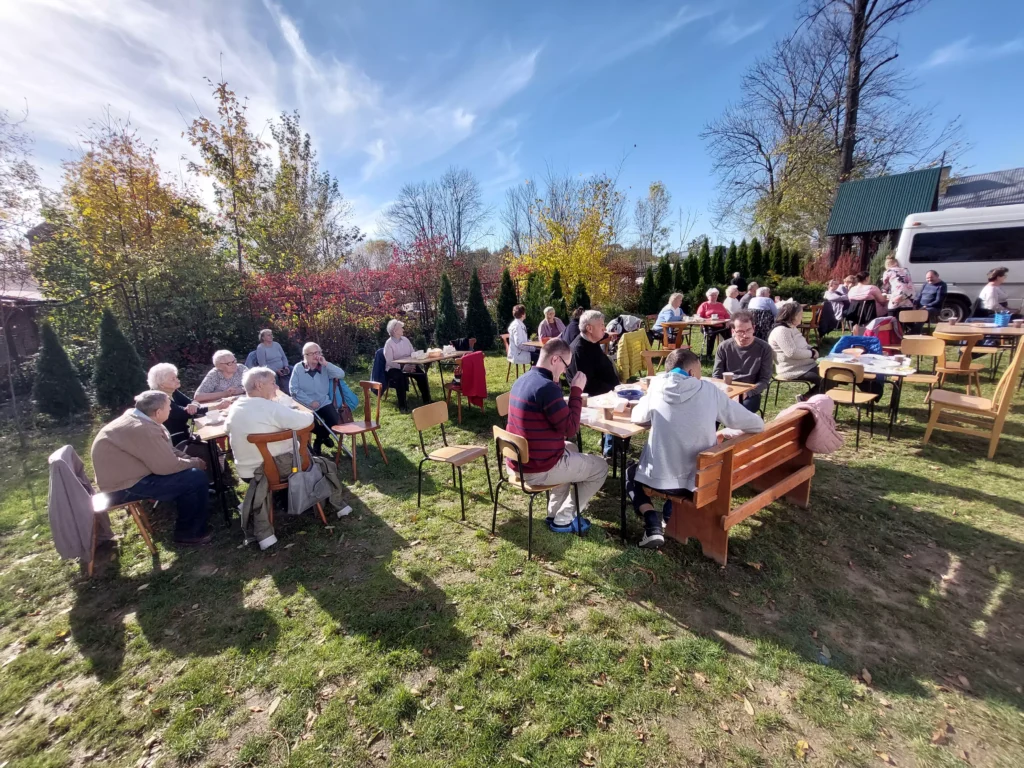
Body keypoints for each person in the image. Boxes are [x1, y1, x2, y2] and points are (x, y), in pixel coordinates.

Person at [627, 348, 763, 548]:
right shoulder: (709, 391)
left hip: (659, 479)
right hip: (700, 480)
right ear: (691, 373)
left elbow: (637, 417)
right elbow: (754, 424)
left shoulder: (656, 387)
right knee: (681, 461)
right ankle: (668, 515)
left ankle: (651, 519)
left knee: (631, 472)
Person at [506, 339, 608, 533]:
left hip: (518, 461)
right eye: (565, 366)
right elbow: (570, 428)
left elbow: (559, 425)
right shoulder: (546, 388)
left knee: (571, 448)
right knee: (601, 467)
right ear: (555, 359)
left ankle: (554, 512)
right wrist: (577, 389)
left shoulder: (523, 380)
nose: (564, 371)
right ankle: (563, 519)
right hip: (536, 468)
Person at [91, 390, 211, 546]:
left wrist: (192, 460)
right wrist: (197, 464)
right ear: (158, 412)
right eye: (169, 407)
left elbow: (168, 450)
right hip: (121, 488)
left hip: (128, 477)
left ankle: (194, 519)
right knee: (194, 478)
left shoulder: (142, 420)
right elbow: (168, 466)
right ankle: (189, 533)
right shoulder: (143, 429)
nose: (171, 410)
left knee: (192, 473)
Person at [226, 367, 315, 482]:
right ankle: (305, 491)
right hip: (273, 469)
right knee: (310, 455)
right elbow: (308, 419)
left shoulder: (236, 406)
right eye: (273, 383)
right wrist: (286, 408)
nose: (277, 387)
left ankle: (279, 496)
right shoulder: (271, 408)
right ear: (259, 385)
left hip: (246, 472)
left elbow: (226, 430)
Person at [569, 310, 620, 457]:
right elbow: (587, 384)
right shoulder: (579, 349)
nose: (604, 328)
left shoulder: (592, 342)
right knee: (618, 406)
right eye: (601, 325)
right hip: (592, 396)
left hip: (606, 389)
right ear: (589, 328)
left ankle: (615, 443)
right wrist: (613, 390)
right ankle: (610, 450)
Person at [148, 362, 228, 445]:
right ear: (162, 384)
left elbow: (192, 402)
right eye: (173, 379)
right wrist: (217, 407)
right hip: (173, 439)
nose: (177, 380)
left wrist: (194, 404)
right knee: (207, 444)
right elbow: (184, 413)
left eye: (176, 377)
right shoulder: (158, 399)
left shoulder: (172, 391)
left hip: (186, 432)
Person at [289, 342, 347, 453]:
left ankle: (319, 440)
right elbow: (293, 389)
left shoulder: (324, 367)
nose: (317, 356)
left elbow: (341, 374)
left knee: (334, 420)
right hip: (305, 405)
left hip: (323, 401)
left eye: (319, 352)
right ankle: (323, 436)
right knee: (310, 425)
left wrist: (326, 363)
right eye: (313, 353)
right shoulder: (298, 368)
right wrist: (309, 402)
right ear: (306, 355)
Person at [713, 310, 773, 413]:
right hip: (727, 389)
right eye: (740, 332)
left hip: (750, 391)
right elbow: (717, 375)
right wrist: (726, 392)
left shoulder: (764, 348)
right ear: (733, 331)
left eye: (749, 330)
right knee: (712, 411)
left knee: (739, 411)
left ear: (754, 328)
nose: (745, 335)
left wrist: (747, 393)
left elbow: (764, 380)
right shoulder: (724, 347)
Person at [768, 301, 821, 397]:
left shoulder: (791, 328)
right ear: (793, 316)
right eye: (801, 314)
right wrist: (812, 354)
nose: (802, 316)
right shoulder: (781, 331)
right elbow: (792, 352)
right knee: (828, 377)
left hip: (805, 366)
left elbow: (803, 345)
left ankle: (813, 398)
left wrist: (812, 348)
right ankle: (806, 399)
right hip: (792, 370)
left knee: (832, 373)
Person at [382, 319, 432, 413]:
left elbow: (412, 353)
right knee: (400, 377)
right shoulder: (389, 344)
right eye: (401, 328)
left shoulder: (405, 340)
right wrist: (402, 367)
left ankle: (427, 400)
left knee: (422, 374)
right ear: (395, 331)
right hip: (394, 368)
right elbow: (389, 361)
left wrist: (413, 364)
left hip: (409, 364)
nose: (403, 330)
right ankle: (403, 406)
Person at [507, 305, 532, 369]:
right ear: (523, 314)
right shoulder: (517, 326)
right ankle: (534, 376)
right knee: (540, 356)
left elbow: (523, 340)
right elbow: (519, 344)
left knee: (539, 352)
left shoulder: (518, 323)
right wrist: (532, 348)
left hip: (518, 351)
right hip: (518, 353)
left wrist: (532, 343)